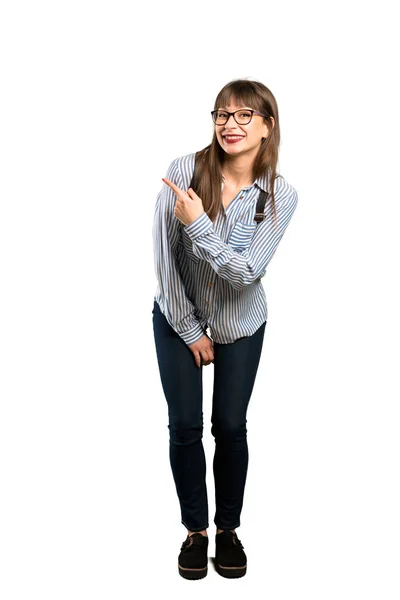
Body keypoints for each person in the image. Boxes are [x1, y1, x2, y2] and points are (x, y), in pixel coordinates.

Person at [151, 78, 298, 579]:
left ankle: (228, 529)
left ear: (266, 126)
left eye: (242, 116)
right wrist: (190, 329)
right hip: (177, 315)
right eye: (221, 115)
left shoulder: (280, 195)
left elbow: (244, 272)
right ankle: (195, 532)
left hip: (241, 322)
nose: (229, 125)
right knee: (185, 424)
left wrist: (198, 224)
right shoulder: (183, 171)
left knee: (230, 426)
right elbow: (164, 260)